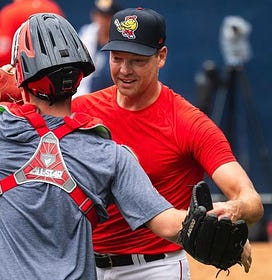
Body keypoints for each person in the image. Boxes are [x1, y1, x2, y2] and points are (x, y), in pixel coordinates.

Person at [0, 12, 209, 280]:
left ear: (21, 74)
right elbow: (167, 223)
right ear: (80, 75)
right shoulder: (109, 153)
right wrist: (210, 226)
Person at [72, 7, 264, 280]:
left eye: (137, 60)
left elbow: (251, 200)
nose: (124, 70)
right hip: (83, 265)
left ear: (161, 57)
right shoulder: (80, 110)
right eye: (117, 58)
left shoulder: (188, 123)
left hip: (153, 269)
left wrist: (231, 211)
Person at [0, 0, 64, 66]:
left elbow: (3, 54)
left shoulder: (9, 13)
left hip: (25, 72)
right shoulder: (52, 7)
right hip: (56, 69)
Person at [75, 0, 121, 97]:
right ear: (93, 15)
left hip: (111, 103)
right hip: (84, 103)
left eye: (107, 17)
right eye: (100, 15)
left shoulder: (122, 45)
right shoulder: (84, 38)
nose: (102, 21)